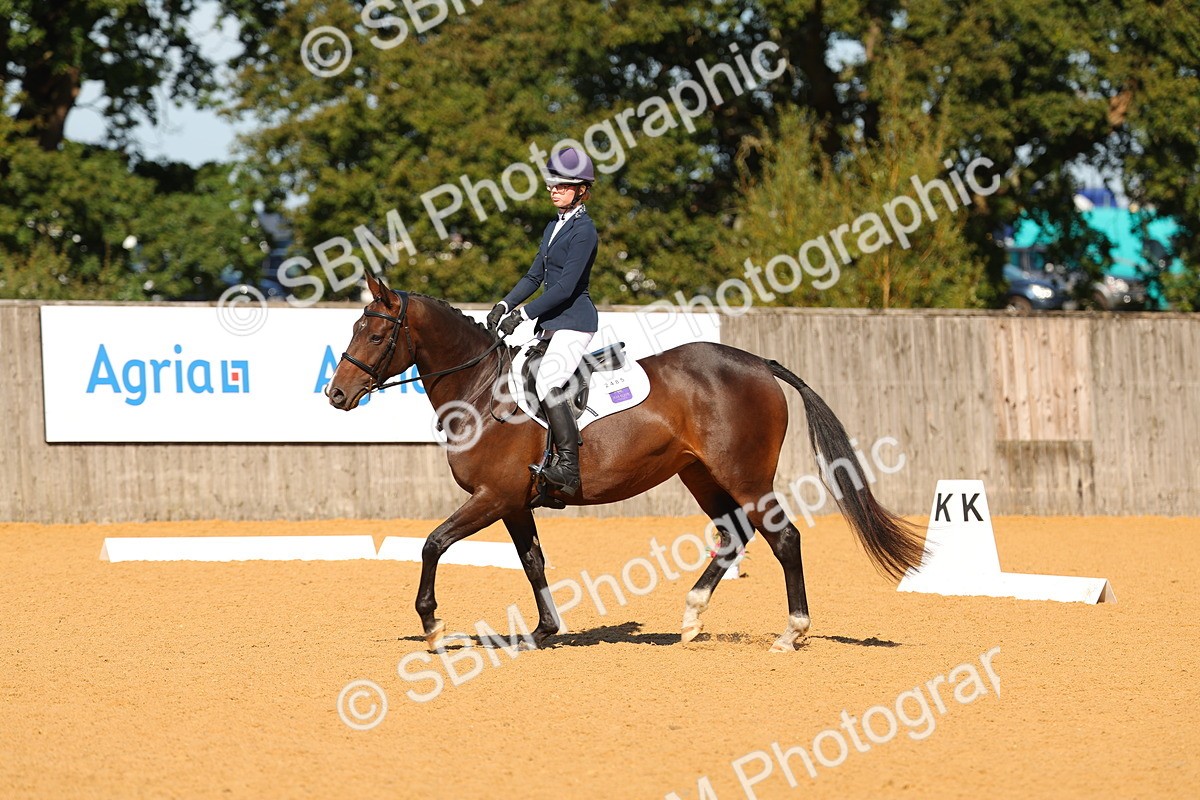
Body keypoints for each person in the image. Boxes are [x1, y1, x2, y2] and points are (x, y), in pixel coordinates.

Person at [487, 146, 598, 496]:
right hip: (550, 324)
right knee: (514, 375)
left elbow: (565, 287)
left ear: (581, 190)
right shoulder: (553, 225)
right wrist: (505, 304)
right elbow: (535, 276)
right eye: (552, 184)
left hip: (575, 322)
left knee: (548, 380)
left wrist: (523, 314)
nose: (554, 190)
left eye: (562, 186)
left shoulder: (584, 231)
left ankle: (567, 465)